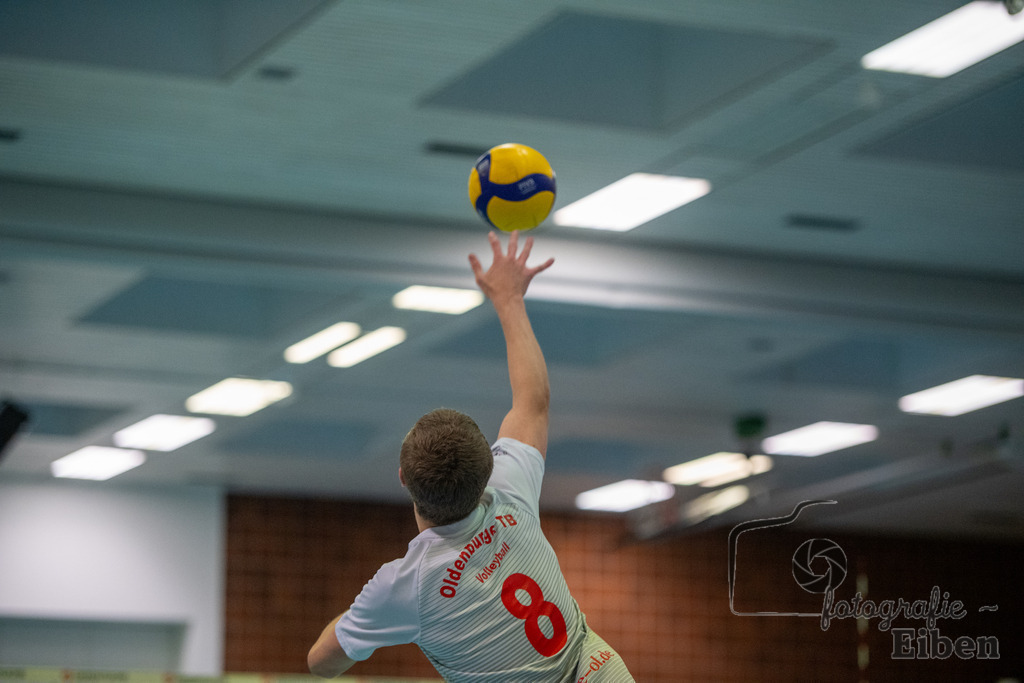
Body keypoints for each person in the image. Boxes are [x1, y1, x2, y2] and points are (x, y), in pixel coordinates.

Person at [308, 231, 634, 682]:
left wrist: (363, 616)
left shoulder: (406, 585)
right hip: (599, 672)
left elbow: (321, 662)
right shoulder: (509, 488)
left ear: (404, 478)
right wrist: (509, 299)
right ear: (487, 471)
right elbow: (533, 402)